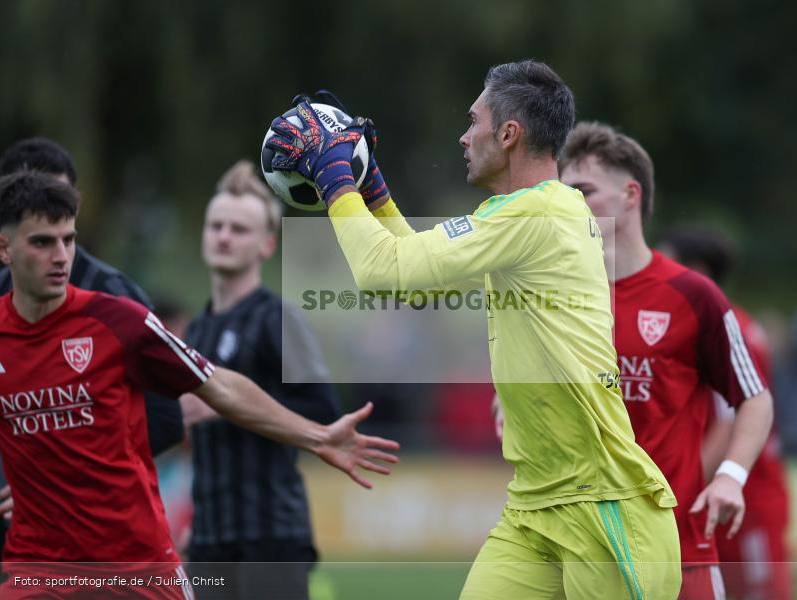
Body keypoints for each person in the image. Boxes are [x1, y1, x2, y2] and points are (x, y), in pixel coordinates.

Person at [264, 60, 682, 599]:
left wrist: (334, 176)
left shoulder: (534, 215)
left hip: (603, 504)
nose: (463, 137)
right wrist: (370, 189)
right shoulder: (527, 211)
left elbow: (382, 272)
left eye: (473, 121)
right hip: (534, 507)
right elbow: (415, 283)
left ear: (509, 135)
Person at [0, 171, 398, 598]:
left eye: (68, 239)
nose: (62, 256)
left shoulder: (261, 320)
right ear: (4, 248)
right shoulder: (201, 326)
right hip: (163, 547)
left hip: (243, 544)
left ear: (267, 244)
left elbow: (230, 388)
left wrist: (317, 436)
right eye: (43, 242)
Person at [557, 122, 775, 600]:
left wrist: (730, 478)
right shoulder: (557, 299)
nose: (569, 204)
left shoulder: (693, 295)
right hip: (583, 549)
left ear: (630, 195)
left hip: (679, 546)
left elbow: (755, 400)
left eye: (584, 191)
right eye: (563, 192)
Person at [0, 137, 185, 564]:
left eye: (58, 199)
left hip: (107, 542)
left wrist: (69, 476)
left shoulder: (114, 299)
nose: (45, 206)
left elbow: (167, 417)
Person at [180, 160, 341, 599]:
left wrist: (227, 405)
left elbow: (325, 413)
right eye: (216, 225)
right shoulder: (197, 330)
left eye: (239, 228)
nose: (224, 236)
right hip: (210, 541)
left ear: (267, 245)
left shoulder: (277, 319)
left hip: (271, 539)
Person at [659, 226, 793, 600]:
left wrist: (672, 492)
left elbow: (727, 425)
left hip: (746, 495)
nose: (656, 271)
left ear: (698, 272)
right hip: (714, 493)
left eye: (666, 262)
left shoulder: (731, 329)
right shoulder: (715, 323)